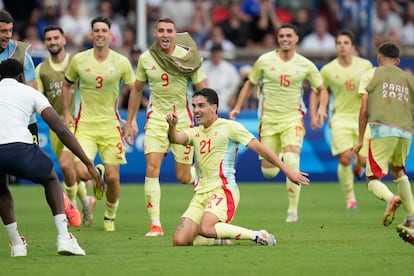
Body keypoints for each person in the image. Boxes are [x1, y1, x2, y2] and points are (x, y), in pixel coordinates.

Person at [166, 88, 310, 246]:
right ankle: (219, 240)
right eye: (194, 106)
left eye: (201, 106)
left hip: (223, 190)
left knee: (206, 228)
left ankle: (257, 235)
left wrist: (288, 171)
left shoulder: (230, 127)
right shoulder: (195, 132)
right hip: (200, 194)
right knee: (179, 241)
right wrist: (172, 126)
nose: (196, 111)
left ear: (214, 107)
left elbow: (263, 151)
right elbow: (175, 139)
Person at [0, 58, 104, 257]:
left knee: (1, 189)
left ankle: (17, 244)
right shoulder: (30, 92)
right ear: (22, 76)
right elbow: (61, 129)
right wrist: (87, 163)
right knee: (50, 178)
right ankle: (64, 237)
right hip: (20, 148)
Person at [229, 23, 329, 223]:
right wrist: (238, 107)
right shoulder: (265, 61)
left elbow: (321, 89)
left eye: (289, 35)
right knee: (268, 172)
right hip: (268, 120)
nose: (285, 38)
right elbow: (250, 83)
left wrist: (321, 109)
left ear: (296, 39)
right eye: (281, 35)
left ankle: (292, 211)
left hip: (293, 118)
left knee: (292, 161)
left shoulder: (305, 64)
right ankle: (279, 154)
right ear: (278, 38)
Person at [124, 17, 207, 237]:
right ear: (155, 34)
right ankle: (155, 225)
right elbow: (137, 89)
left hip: (183, 120)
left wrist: (206, 118)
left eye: (169, 31)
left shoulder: (188, 57)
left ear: (175, 33)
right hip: (156, 118)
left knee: (183, 177)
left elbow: (203, 88)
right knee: (152, 168)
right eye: (161, 30)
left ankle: (194, 174)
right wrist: (131, 121)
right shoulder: (146, 58)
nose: (165, 34)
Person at [61, 16, 137, 232]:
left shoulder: (121, 62)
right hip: (84, 125)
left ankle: (110, 216)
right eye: (97, 30)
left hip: (110, 126)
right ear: (91, 34)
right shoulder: (78, 60)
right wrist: (67, 113)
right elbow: (66, 86)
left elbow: (135, 89)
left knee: (113, 178)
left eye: (104, 30)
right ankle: (98, 172)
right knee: (83, 174)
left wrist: (130, 121)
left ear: (110, 35)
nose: (100, 34)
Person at [354, 42, 414, 246]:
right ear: (398, 61)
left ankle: (390, 199)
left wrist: (361, 138)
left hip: (382, 129)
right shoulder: (408, 78)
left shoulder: (371, 74)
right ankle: (412, 218)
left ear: (378, 58)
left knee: (372, 178)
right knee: (399, 172)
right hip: (406, 131)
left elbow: (363, 109)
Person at [36, 25, 96, 227]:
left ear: (64, 40)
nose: (52, 42)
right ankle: (86, 201)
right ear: (45, 43)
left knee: (64, 165)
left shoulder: (76, 63)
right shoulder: (41, 70)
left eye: (56, 38)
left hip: (77, 122)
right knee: (69, 170)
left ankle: (71, 212)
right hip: (55, 125)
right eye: (49, 39)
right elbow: (38, 97)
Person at [310, 30, 373, 209]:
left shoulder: (366, 65)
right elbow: (318, 91)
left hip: (363, 118)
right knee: (345, 159)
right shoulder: (328, 70)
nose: (342, 46)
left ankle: (359, 167)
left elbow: (373, 90)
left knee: (364, 161)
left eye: (346, 43)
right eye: (339, 43)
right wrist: (316, 113)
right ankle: (350, 198)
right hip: (340, 118)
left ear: (353, 47)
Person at [0, 10, 38, 144]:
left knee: (32, 164)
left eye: (10, 30)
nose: (8, 35)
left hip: (24, 124)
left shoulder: (22, 54)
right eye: (3, 31)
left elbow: (33, 93)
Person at [202, 43, 240, 113]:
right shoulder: (203, 67)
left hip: (225, 97)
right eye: (214, 53)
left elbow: (235, 83)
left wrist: (233, 96)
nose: (216, 55)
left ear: (221, 53)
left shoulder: (229, 68)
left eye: (218, 52)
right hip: (208, 98)